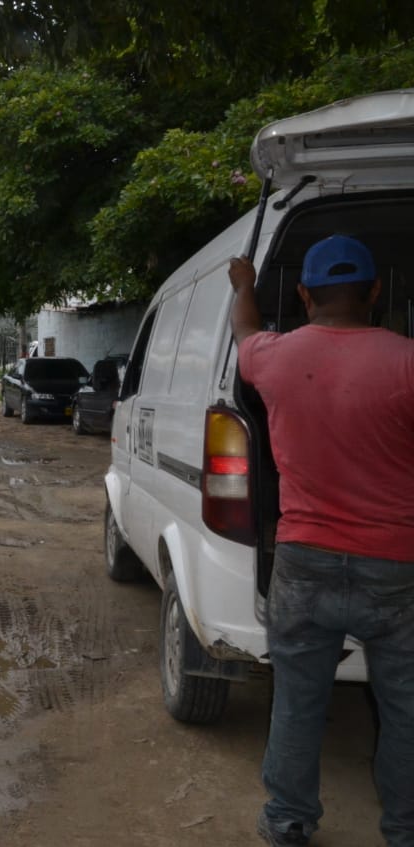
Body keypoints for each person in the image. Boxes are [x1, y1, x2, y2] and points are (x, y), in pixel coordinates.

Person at [229, 235, 414, 847]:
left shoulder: (274, 359)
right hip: (397, 568)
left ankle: (288, 820)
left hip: (304, 562)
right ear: (376, 291)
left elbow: (244, 333)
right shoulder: (408, 361)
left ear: (305, 295)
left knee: (298, 700)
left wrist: (243, 286)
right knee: (406, 713)